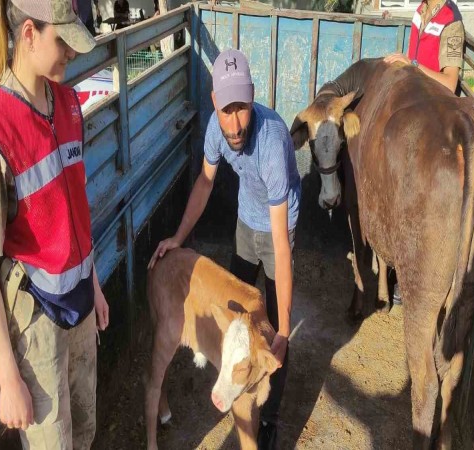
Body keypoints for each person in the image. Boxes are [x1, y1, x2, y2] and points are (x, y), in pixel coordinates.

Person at [0, 0, 109, 448]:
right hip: (39, 321)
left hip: (80, 303)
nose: (71, 54)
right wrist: (7, 377)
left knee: (86, 430)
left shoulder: (68, 103)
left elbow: (77, 211)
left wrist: (95, 286)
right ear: (28, 34)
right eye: (62, 41)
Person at [148, 48, 301, 450]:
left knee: (272, 331)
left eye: (241, 109)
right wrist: (179, 238)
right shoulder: (217, 129)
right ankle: (232, 372)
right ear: (214, 101)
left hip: (279, 222)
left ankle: (269, 418)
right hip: (246, 219)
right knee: (238, 308)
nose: (234, 124)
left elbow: (282, 247)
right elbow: (204, 183)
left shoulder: (271, 141)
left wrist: (284, 330)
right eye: (225, 109)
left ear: (252, 98)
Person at [384, 0, 465, 94]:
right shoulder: (421, 9)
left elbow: (450, 85)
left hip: (430, 95)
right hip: (411, 83)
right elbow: (411, 51)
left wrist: (413, 64)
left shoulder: (451, 22)